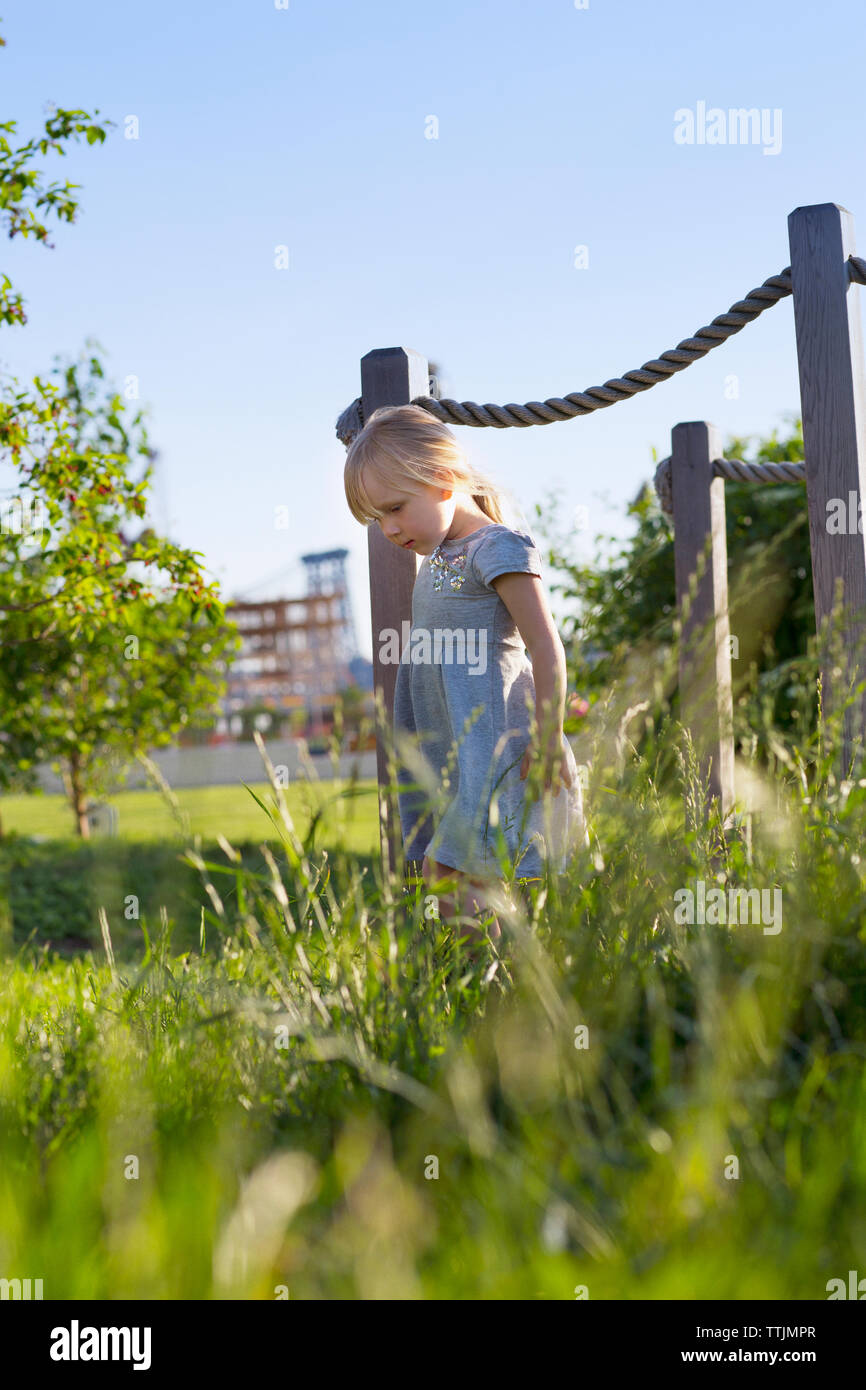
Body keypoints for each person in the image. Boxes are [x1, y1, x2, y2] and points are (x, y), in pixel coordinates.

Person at [344, 403, 587, 957]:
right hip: (462, 756)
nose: (390, 529)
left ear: (444, 478)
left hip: (501, 751)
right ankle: (509, 992)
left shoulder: (496, 548)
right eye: (378, 520)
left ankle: (498, 993)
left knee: (463, 881)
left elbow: (546, 648)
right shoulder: (440, 558)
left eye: (395, 509)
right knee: (477, 884)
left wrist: (549, 739)